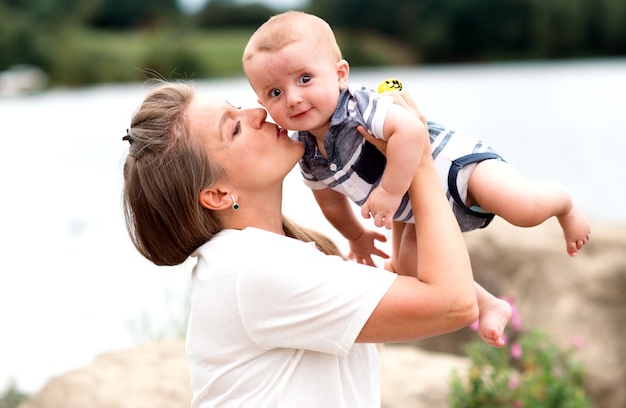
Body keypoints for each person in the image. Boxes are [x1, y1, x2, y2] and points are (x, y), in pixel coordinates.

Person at [242, 10, 591, 347]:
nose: (293, 98)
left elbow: (410, 131)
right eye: (275, 92)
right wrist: (356, 235)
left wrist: (390, 191)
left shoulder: (358, 107)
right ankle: (488, 304)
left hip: (456, 168)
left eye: (305, 79)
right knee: (411, 268)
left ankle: (563, 202)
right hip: (418, 208)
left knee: (524, 209)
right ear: (260, 100)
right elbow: (330, 201)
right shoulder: (307, 153)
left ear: (340, 74)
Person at [121, 81, 478, 407]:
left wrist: (393, 176)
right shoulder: (255, 267)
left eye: (238, 107)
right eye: (234, 127)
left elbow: (404, 304)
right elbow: (453, 304)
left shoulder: (252, 260)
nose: (258, 112)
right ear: (217, 194)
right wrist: (420, 162)